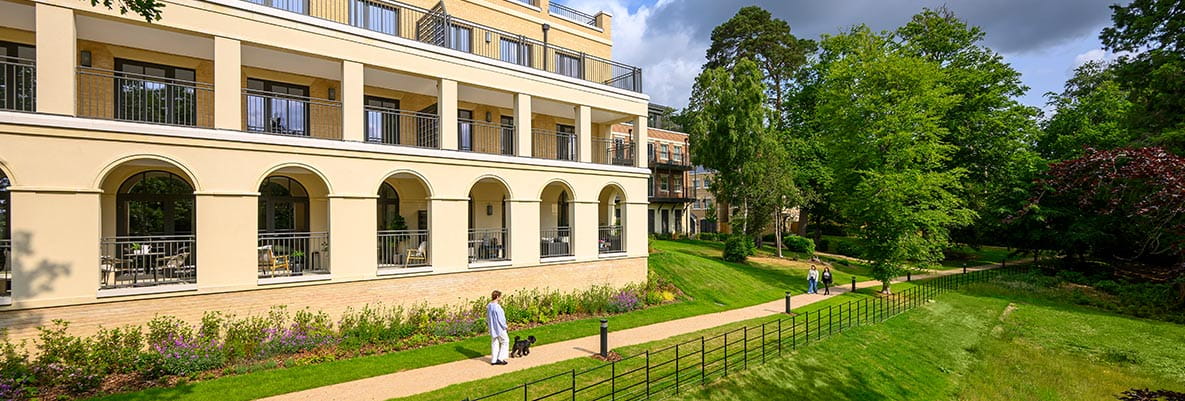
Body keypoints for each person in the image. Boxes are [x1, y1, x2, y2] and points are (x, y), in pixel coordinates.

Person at [487, 290, 509, 365]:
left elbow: (488, 317)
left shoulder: (489, 305)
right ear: (497, 297)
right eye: (500, 297)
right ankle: (500, 358)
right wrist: (505, 326)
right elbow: (501, 319)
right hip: (499, 328)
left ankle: (494, 360)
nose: (500, 298)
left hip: (492, 327)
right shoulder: (497, 307)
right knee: (505, 341)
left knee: (494, 343)